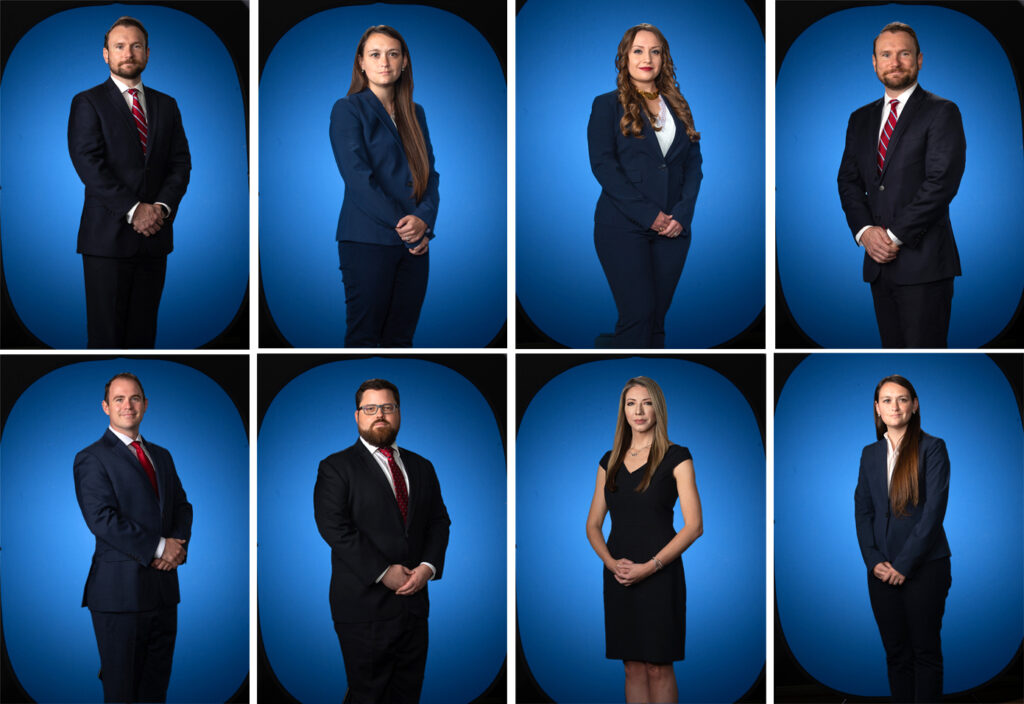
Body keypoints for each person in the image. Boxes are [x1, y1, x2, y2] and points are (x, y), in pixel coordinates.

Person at [314, 378, 451, 703]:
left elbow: (438, 521)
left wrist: (427, 568)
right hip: (363, 608)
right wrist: (382, 571)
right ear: (357, 416)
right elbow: (334, 526)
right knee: (368, 696)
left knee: (407, 695)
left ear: (399, 413)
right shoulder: (336, 466)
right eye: (371, 408)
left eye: (388, 408)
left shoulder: (422, 466)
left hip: (414, 605)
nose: (380, 415)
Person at [837, 22, 966, 348]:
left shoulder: (942, 112)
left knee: (925, 352)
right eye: (886, 54)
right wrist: (866, 232)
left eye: (904, 53)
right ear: (874, 62)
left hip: (925, 265)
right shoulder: (859, 118)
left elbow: (942, 183)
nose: (894, 62)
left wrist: (893, 237)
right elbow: (848, 180)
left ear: (919, 59)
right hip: (878, 268)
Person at [68, 17, 191, 349]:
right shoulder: (88, 102)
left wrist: (160, 209)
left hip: (155, 238)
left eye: (136, 45)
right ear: (105, 54)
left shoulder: (167, 104)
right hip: (106, 241)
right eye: (119, 46)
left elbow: (180, 163)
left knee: (143, 338)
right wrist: (134, 210)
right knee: (106, 339)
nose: (128, 53)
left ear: (148, 53)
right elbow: (88, 163)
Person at [73, 372, 193, 702]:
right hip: (119, 597)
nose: (128, 405)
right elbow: (102, 520)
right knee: (122, 693)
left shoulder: (162, 455)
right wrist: (159, 547)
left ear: (146, 404)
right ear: (105, 407)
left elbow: (182, 506)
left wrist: (177, 548)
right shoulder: (92, 457)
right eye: (119, 399)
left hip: (164, 593)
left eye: (135, 398)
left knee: (155, 693)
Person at [585, 376, 703, 703]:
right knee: (632, 667)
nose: (639, 411)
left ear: (658, 409)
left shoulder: (677, 457)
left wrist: (649, 567)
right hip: (619, 576)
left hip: (660, 575)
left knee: (657, 667)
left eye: (646, 402)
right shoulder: (608, 461)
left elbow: (694, 526)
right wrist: (611, 564)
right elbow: (593, 525)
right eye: (631, 403)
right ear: (623, 410)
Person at [587, 24, 703, 349]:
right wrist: (650, 215)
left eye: (655, 51)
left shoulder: (679, 105)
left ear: (664, 59)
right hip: (622, 226)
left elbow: (694, 166)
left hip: (674, 230)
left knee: (656, 320)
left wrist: (681, 215)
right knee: (637, 315)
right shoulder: (605, 105)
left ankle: (641, 366)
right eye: (638, 50)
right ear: (625, 57)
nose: (646, 58)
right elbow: (603, 167)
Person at [329, 26, 440, 347]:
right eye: (375, 54)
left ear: (404, 61)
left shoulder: (416, 113)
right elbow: (357, 178)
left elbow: (429, 174)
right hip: (367, 240)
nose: (385, 63)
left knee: (401, 339)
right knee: (365, 336)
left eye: (393, 54)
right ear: (361, 63)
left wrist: (424, 222)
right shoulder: (348, 109)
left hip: (417, 242)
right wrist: (405, 226)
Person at [854, 375, 951, 703]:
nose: (895, 406)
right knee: (896, 655)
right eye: (887, 400)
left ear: (915, 405)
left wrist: (904, 566)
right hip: (880, 572)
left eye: (903, 399)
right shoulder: (869, 454)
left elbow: (934, 513)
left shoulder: (933, 447)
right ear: (877, 409)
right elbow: (863, 512)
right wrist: (874, 561)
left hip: (926, 568)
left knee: (925, 652)